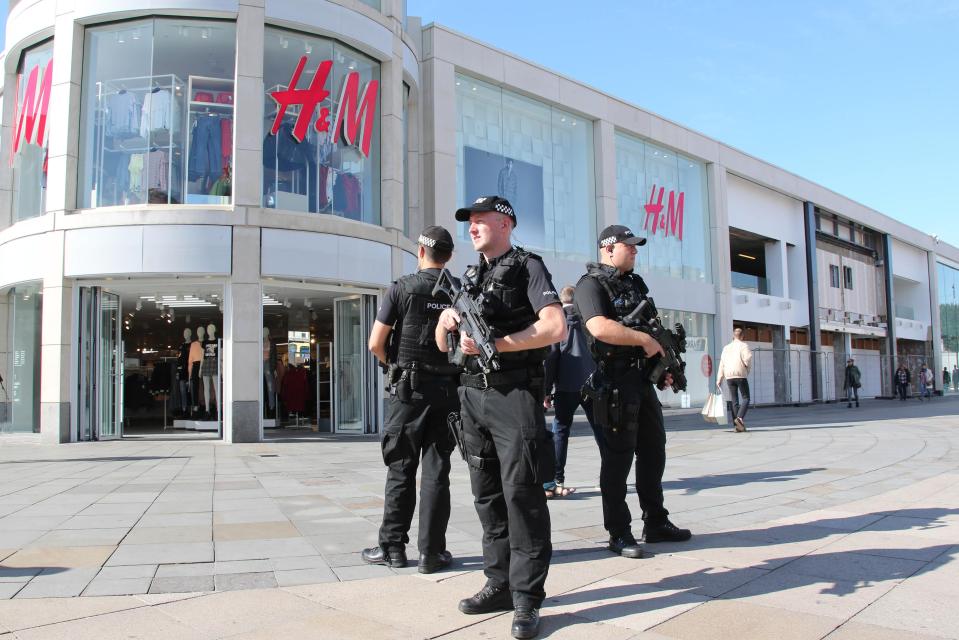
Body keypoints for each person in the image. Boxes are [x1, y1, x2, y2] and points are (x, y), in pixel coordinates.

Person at [436, 195, 566, 640]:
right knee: (486, 494)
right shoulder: (472, 275)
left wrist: (500, 343)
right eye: (468, 222)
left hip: (513, 395)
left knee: (523, 495)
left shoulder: (528, 267)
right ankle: (500, 582)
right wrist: (450, 320)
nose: (471, 228)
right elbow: (441, 344)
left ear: (506, 223)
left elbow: (555, 326)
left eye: (480, 220)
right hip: (472, 397)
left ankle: (528, 598)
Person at [573, 224, 691, 563]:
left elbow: (652, 327)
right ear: (609, 249)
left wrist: (664, 366)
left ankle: (656, 521)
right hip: (613, 384)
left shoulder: (635, 284)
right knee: (618, 459)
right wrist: (644, 341)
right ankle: (618, 531)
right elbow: (599, 327)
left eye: (636, 247)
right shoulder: (590, 285)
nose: (636, 251)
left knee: (654, 452)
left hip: (641, 381)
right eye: (630, 246)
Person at [361, 226, 461, 574]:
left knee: (401, 468)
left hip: (409, 390)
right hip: (448, 393)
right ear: (448, 256)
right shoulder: (459, 292)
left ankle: (393, 548)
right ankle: (433, 553)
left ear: (421, 252)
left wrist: (396, 365)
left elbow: (376, 343)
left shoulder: (400, 288)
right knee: (438, 472)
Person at [542, 285, 597, 499]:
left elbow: (552, 357)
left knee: (560, 431)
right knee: (600, 430)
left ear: (562, 301)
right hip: (592, 384)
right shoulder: (589, 319)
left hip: (565, 386)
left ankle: (557, 478)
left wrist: (547, 390)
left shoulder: (557, 321)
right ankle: (610, 477)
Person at [716, 327, 753, 432]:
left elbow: (722, 364)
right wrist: (747, 369)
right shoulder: (744, 346)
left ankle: (737, 426)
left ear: (733, 336)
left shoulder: (726, 348)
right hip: (740, 374)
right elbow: (748, 359)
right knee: (746, 398)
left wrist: (719, 378)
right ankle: (739, 418)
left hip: (729, 376)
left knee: (734, 399)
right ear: (742, 336)